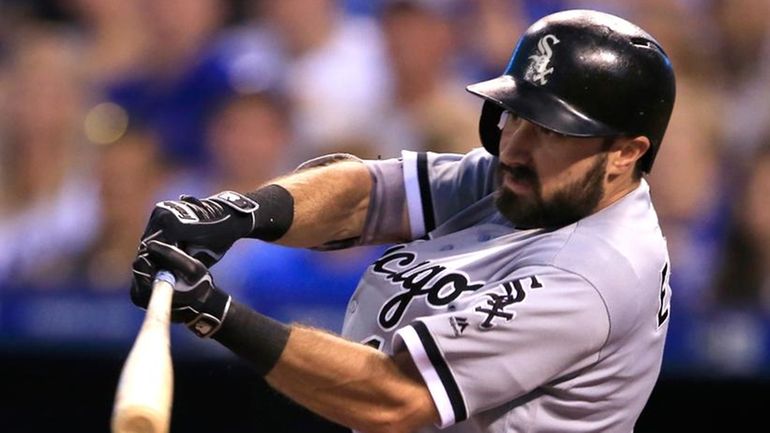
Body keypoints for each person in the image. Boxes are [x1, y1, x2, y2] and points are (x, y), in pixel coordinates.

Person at [131, 9, 676, 433]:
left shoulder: (591, 277)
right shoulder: (541, 181)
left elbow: (394, 397)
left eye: (552, 130)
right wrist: (237, 212)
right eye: (517, 115)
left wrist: (216, 315)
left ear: (626, 153)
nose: (512, 146)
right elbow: (369, 191)